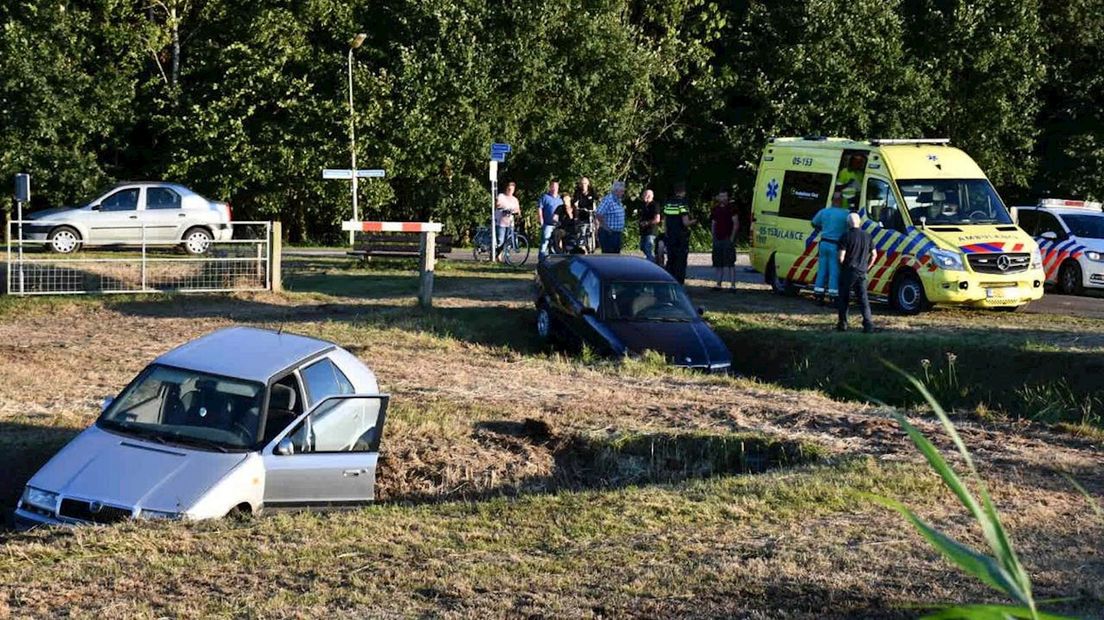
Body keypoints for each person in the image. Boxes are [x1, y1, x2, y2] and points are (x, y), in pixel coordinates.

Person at [837, 212, 877, 333]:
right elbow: (874, 254)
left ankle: (843, 323)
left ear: (848, 223)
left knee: (844, 298)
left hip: (849, 271)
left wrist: (843, 268)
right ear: (859, 222)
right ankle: (868, 324)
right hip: (862, 272)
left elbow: (840, 257)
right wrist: (867, 267)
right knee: (863, 299)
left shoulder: (845, 236)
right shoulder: (868, 236)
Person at [810, 189, 850, 303]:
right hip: (835, 245)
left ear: (832, 200)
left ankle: (818, 294)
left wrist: (822, 229)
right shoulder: (846, 214)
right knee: (834, 270)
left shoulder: (824, 212)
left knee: (822, 269)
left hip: (823, 243)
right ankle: (833, 295)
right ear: (841, 201)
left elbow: (813, 223)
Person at [662, 184, 694, 284]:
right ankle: (679, 282)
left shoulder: (668, 203)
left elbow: (665, 221)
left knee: (671, 259)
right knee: (680, 260)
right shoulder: (682, 204)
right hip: (680, 236)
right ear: (683, 192)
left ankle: (669, 280)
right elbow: (685, 222)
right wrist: (694, 221)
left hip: (670, 236)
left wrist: (666, 232)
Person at [710, 191, 739, 289]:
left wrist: (732, 238)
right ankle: (718, 284)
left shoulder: (732, 208)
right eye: (721, 196)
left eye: (724, 196)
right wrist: (713, 237)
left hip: (727, 238)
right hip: (718, 238)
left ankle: (733, 285)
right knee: (718, 263)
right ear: (718, 197)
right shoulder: (715, 209)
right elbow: (713, 223)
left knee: (730, 263)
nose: (723, 198)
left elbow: (735, 224)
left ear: (727, 197)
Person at [595, 181, 627, 253]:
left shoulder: (618, 201)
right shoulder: (608, 200)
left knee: (616, 256)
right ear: (616, 191)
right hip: (609, 233)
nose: (623, 193)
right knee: (609, 257)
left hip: (616, 233)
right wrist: (606, 227)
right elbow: (598, 214)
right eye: (621, 191)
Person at [537, 179, 563, 261]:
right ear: (550, 187)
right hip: (548, 223)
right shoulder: (545, 197)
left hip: (558, 224)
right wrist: (540, 218)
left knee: (556, 242)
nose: (554, 188)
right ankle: (541, 258)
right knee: (545, 240)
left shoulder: (560, 199)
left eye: (556, 187)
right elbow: (540, 208)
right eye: (553, 186)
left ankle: (554, 258)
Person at [494, 181, 521, 258]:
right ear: (506, 189)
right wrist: (502, 208)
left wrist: (516, 212)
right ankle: (497, 255)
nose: (510, 191)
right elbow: (497, 204)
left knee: (508, 241)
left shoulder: (515, 199)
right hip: (501, 222)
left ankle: (505, 256)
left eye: (512, 189)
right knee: (501, 240)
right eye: (509, 189)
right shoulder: (501, 196)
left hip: (510, 223)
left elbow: (518, 210)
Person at [573, 177, 598, 252]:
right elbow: (575, 202)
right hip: (582, 213)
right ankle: (582, 246)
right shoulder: (578, 192)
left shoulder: (592, 191)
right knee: (582, 230)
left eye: (585, 183)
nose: (584, 185)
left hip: (591, 213)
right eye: (582, 183)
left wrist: (595, 208)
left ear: (588, 184)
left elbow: (596, 199)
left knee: (595, 227)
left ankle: (595, 242)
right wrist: (576, 206)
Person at [637, 189, 660, 262]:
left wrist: (647, 223)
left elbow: (657, 219)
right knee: (642, 247)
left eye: (646, 195)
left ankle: (652, 263)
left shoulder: (655, 205)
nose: (644, 196)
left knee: (648, 248)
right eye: (644, 194)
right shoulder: (642, 205)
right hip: (643, 230)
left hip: (651, 231)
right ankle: (654, 260)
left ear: (651, 196)